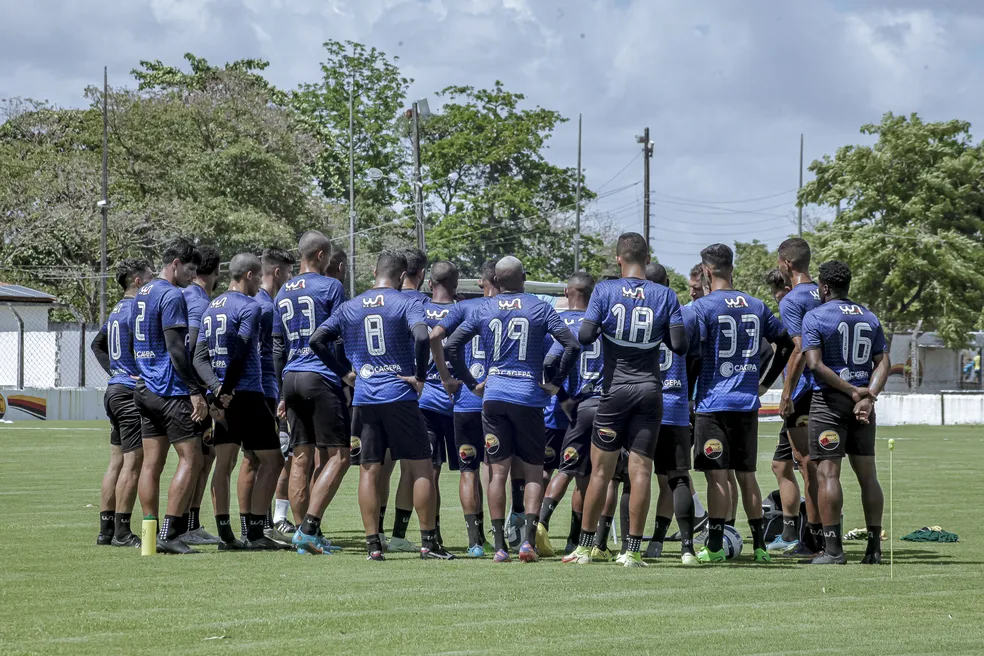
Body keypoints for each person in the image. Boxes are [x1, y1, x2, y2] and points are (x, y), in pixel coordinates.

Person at [307, 249, 454, 560]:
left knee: (369, 471)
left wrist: (346, 374)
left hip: (364, 397)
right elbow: (420, 335)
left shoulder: (349, 306)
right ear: (402, 276)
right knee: (421, 466)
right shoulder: (407, 301)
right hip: (399, 395)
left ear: (374, 271)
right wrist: (419, 376)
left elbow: (317, 339)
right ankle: (429, 543)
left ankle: (374, 545)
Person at [562, 233, 688, 568]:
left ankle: (586, 547)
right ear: (647, 259)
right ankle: (631, 550)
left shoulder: (604, 290)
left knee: (600, 472)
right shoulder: (666, 294)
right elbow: (679, 345)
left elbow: (586, 336)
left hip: (614, 390)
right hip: (649, 390)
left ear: (619, 259)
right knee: (641, 471)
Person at [444, 256, 580, 563]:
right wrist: (556, 383)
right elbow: (571, 345)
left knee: (497, 472)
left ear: (495, 280)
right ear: (523, 278)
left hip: (493, 396)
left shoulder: (483, 308)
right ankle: (527, 542)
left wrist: (471, 382)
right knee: (533, 470)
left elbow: (452, 345)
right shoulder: (540, 307)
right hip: (528, 397)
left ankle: (500, 546)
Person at [690, 244, 794, 564]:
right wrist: (765, 381)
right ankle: (760, 547)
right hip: (746, 402)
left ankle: (717, 546)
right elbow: (787, 343)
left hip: (712, 402)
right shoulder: (757, 305)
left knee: (716, 477)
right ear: (731, 268)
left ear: (707, 271)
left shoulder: (701, 307)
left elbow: (689, 352)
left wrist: (690, 394)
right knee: (746, 475)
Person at [193, 254, 286, 551]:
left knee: (224, 464)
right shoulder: (250, 307)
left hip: (223, 396)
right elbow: (242, 352)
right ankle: (256, 532)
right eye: (258, 277)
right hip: (246, 394)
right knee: (273, 460)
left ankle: (226, 535)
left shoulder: (211, 308)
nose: (260, 283)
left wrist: (215, 390)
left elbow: (199, 357)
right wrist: (227, 390)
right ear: (248, 275)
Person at [803, 260, 889, 565]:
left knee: (828, 473)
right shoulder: (869, 316)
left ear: (825, 287)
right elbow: (883, 362)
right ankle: (874, 550)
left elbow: (814, 364)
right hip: (864, 405)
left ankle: (834, 550)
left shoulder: (815, 316)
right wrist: (869, 396)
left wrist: (851, 391)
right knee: (868, 476)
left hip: (830, 403)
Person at [272, 231, 350, 547]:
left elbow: (278, 346)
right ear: (320, 256)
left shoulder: (281, 292)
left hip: (290, 376)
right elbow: (340, 337)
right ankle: (309, 529)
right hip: (320, 377)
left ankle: (307, 534)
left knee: (300, 457)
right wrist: (345, 376)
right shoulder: (331, 286)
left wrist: (280, 391)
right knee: (340, 456)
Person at [133, 238, 208, 554]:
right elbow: (178, 349)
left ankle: (150, 537)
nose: (192, 277)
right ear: (175, 263)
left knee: (152, 464)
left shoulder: (143, 291)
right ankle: (170, 532)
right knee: (192, 458)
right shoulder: (171, 294)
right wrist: (195, 390)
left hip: (144, 388)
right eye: (190, 269)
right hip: (169, 388)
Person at [428, 259, 499, 557]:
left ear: (483, 282)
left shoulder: (463, 308)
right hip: (500, 399)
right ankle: (509, 538)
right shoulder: (519, 306)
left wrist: (449, 378)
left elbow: (434, 337)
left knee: (468, 470)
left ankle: (474, 542)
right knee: (498, 468)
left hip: (467, 401)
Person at [537, 272, 601, 557]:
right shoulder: (600, 325)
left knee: (547, 470)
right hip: (590, 407)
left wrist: (561, 397)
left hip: (558, 413)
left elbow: (549, 363)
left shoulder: (561, 323)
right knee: (582, 474)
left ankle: (535, 526)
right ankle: (575, 540)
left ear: (567, 291)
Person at [92, 259, 154, 548]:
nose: (153, 282)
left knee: (116, 460)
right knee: (134, 461)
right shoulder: (135, 311)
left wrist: (115, 371)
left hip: (114, 390)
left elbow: (97, 344)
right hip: (129, 393)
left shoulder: (116, 310)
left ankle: (105, 531)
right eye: (150, 277)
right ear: (138, 282)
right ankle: (122, 532)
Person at [641, 262, 701, 564]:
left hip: (643, 404)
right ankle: (687, 548)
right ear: (667, 282)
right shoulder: (686, 314)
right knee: (677, 477)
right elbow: (695, 358)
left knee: (634, 478)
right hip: (676, 405)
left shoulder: (636, 311)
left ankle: (635, 545)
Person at [771, 239, 825, 556]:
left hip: (804, 392)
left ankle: (816, 541)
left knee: (809, 467)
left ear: (787, 265)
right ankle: (796, 533)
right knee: (781, 465)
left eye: (779, 262)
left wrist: (786, 393)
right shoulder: (826, 293)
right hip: (828, 389)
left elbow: (800, 348)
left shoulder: (792, 300)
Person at [177, 245, 222, 547]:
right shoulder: (197, 300)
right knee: (199, 460)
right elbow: (192, 347)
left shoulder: (183, 295)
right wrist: (200, 391)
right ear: (216, 272)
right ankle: (184, 526)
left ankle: (186, 524)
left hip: (179, 388)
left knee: (200, 459)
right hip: (193, 393)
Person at [418, 261, 460, 548]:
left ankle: (432, 533)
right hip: (458, 401)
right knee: (471, 471)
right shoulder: (463, 310)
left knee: (428, 471)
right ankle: (478, 537)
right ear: (457, 285)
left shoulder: (418, 310)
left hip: (426, 400)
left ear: (430, 284)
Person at [255, 247, 296, 540]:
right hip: (264, 391)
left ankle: (262, 524)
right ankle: (261, 524)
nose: (292, 277)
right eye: (289, 271)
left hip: (264, 390)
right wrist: (281, 394)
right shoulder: (268, 305)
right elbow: (275, 352)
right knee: (266, 460)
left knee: (266, 459)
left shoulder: (265, 301)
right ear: (278, 272)